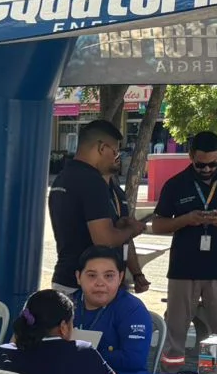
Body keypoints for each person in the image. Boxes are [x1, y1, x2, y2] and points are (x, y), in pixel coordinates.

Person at [147, 130, 217, 370]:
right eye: (200, 165)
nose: (206, 170)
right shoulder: (175, 184)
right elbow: (158, 224)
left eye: (212, 164)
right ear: (191, 156)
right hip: (184, 270)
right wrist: (185, 220)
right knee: (176, 333)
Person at [48, 119, 145, 293]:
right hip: (89, 285)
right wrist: (132, 230)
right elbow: (104, 240)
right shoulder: (92, 181)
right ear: (102, 148)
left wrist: (118, 228)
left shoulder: (63, 177)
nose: (117, 158)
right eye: (115, 152)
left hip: (65, 277)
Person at [69, 246, 153, 373]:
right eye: (92, 275)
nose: (100, 283)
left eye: (108, 276)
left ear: (120, 277)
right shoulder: (66, 303)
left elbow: (134, 360)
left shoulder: (132, 309)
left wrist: (80, 354)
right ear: (78, 277)